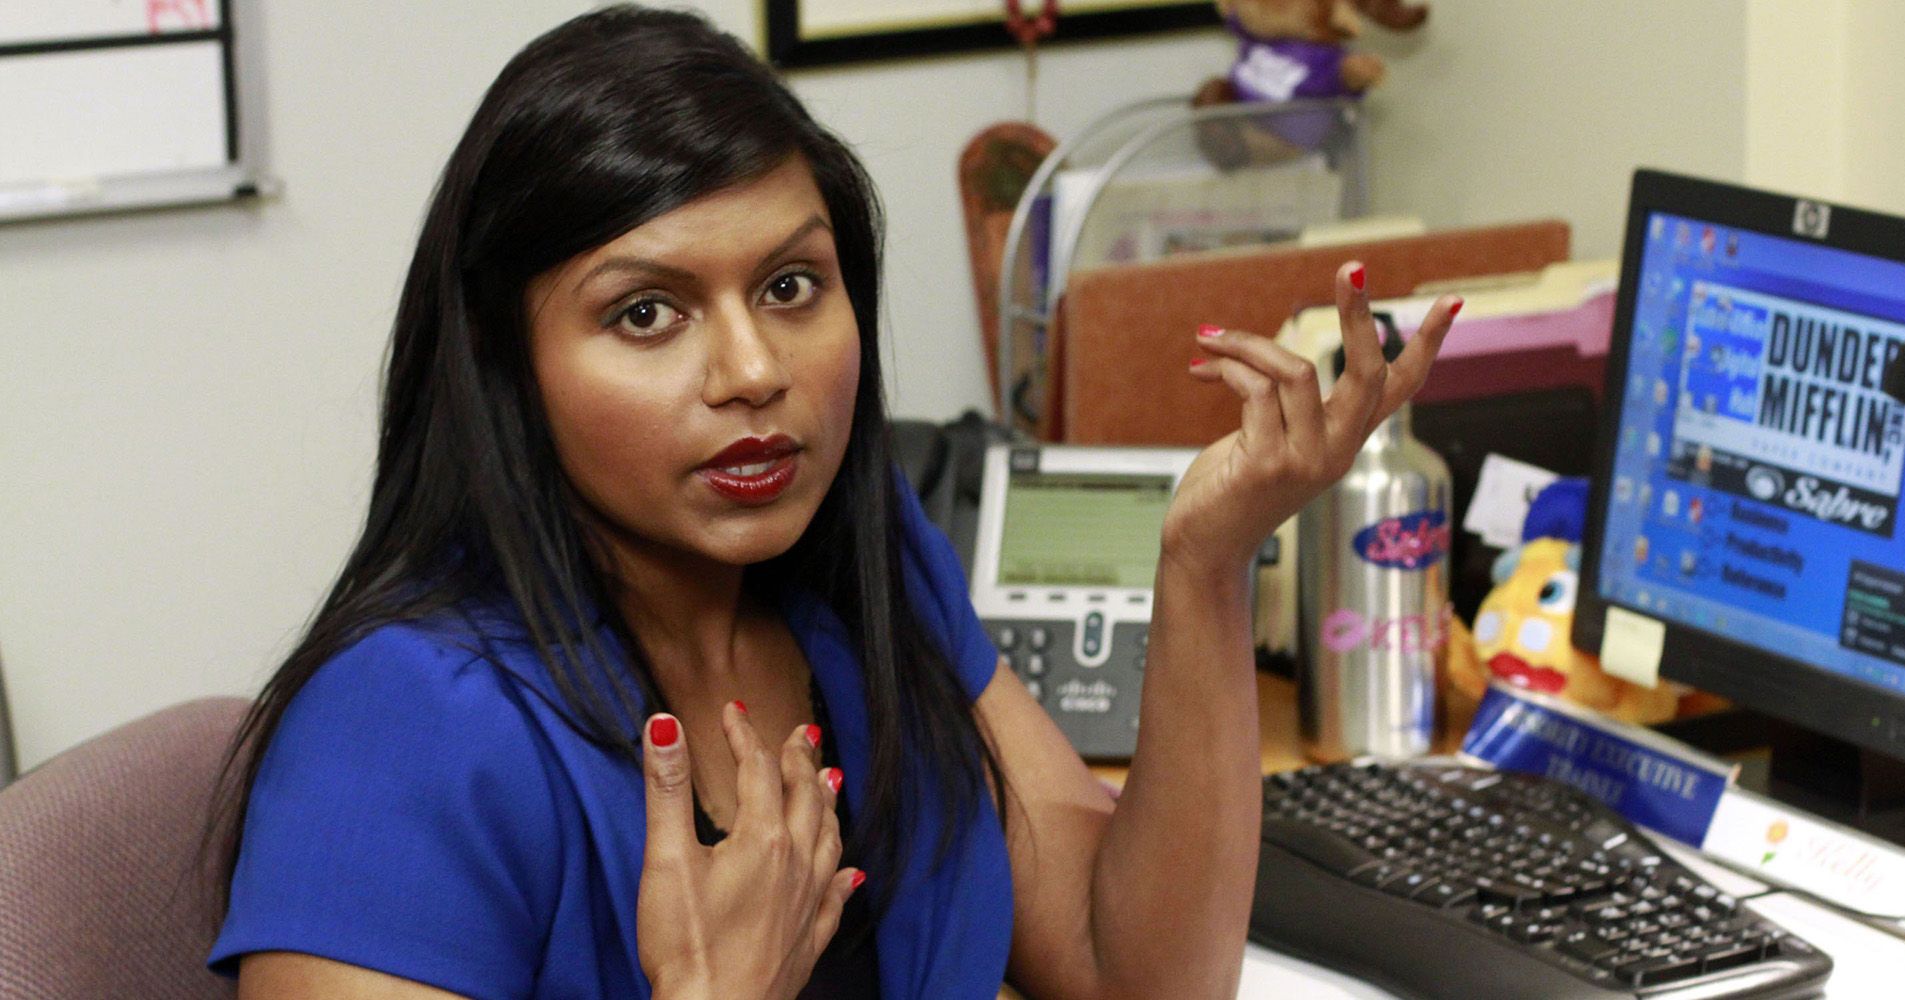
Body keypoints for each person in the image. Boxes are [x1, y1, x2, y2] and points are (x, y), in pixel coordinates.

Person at [201, 7, 1460, 999]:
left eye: (793, 286)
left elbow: (1132, 968)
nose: (755, 372)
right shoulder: (399, 730)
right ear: (505, 365)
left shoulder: (855, 564)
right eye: (646, 313)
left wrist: (1203, 563)